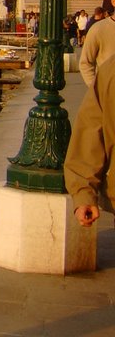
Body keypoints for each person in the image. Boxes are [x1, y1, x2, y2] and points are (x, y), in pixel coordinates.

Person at [65, 52, 115, 227]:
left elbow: (90, 131)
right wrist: (83, 194)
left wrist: (83, 194)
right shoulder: (110, 71)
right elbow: (91, 131)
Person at [80, 8, 115, 87]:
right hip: (109, 93)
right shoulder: (98, 29)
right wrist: (96, 89)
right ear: (113, 1)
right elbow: (85, 63)